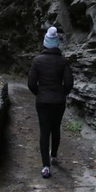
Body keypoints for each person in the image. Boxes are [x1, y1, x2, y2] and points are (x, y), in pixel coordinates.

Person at [27, 26, 74, 178]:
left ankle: (46, 167)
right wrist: (61, 93)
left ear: (45, 43)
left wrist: (39, 93)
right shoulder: (63, 61)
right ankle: (53, 155)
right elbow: (68, 83)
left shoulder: (37, 61)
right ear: (57, 44)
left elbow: (31, 84)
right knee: (56, 128)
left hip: (42, 101)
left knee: (44, 131)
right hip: (59, 101)